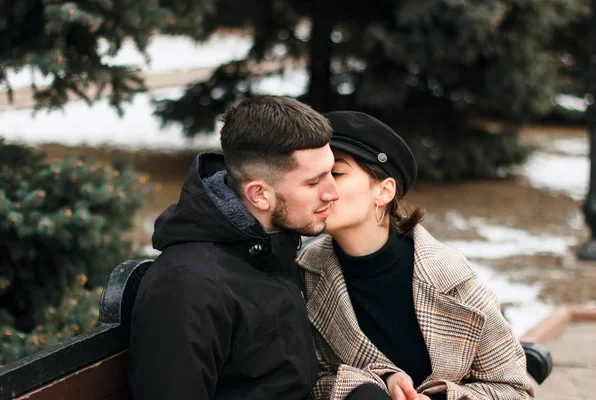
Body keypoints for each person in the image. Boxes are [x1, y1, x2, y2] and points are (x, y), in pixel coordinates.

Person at [297, 111, 535, 400]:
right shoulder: (304, 273)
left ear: (384, 192)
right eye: (314, 178)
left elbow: (513, 389)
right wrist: (372, 386)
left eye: (336, 173)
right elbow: (302, 381)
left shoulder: (451, 279)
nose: (322, 190)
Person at [128, 96, 340, 400]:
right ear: (259, 195)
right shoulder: (189, 286)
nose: (333, 192)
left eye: (332, 172)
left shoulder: (270, 248)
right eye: (313, 182)